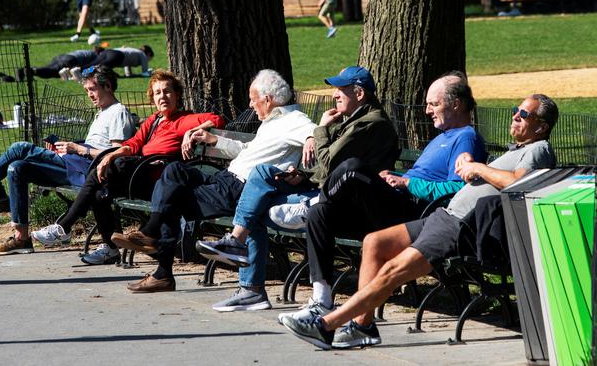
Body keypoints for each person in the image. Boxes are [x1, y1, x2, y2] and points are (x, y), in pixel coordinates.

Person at [281, 94, 558, 350]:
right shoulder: (517, 149)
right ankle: (362, 327)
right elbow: (490, 179)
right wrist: (470, 165)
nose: (515, 116)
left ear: (541, 127)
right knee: (374, 242)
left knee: (393, 269)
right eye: (515, 110)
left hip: (461, 226)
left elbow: (517, 183)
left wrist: (479, 168)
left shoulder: (538, 150)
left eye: (524, 113)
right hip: (443, 215)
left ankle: (326, 325)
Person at [276, 71, 488, 323]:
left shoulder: (466, 137)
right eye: (428, 104)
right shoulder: (442, 137)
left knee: (351, 167)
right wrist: (396, 175)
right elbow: (428, 176)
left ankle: (314, 201)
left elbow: (457, 190)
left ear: (456, 104)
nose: (428, 110)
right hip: (393, 206)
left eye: (434, 104)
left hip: (415, 215)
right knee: (320, 214)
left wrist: (408, 182)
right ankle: (321, 301)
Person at [195, 66, 400, 312]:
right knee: (259, 187)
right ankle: (250, 286)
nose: (335, 95)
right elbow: (327, 166)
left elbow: (329, 162)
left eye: (341, 90)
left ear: (358, 93)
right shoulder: (351, 121)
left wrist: (320, 130)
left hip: (342, 204)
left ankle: (243, 263)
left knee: (257, 197)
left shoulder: (369, 124)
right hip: (323, 191)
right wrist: (299, 175)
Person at [112, 69, 317, 293]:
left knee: (171, 197)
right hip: (223, 179)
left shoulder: (293, 120)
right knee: (174, 171)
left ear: (268, 100)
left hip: (237, 190)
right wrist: (214, 140)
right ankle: (152, 237)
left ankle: (160, 265)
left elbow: (314, 131)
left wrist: (309, 139)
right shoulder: (272, 121)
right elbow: (247, 150)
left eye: (253, 99)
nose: (250, 105)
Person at [0, 66, 136, 255]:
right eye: (87, 90)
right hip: (74, 165)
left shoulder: (118, 112)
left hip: (88, 172)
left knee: (20, 148)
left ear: (108, 86)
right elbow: (95, 146)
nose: (89, 95)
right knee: (17, 168)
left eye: (92, 89)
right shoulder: (102, 112)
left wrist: (77, 148)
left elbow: (117, 153)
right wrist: (67, 147)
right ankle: (21, 238)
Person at [32, 70, 225, 265]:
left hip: (158, 182)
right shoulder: (154, 121)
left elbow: (217, 120)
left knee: (112, 169)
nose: (162, 97)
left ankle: (64, 227)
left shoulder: (183, 120)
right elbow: (133, 144)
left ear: (177, 95)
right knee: (100, 190)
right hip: (140, 176)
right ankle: (109, 248)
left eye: (167, 91)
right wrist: (110, 155)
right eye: (157, 93)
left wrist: (190, 131)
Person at [16, 46, 105, 81]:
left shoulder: (88, 52)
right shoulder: (96, 56)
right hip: (70, 60)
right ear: (100, 53)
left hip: (62, 56)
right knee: (53, 72)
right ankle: (30, 70)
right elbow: (93, 67)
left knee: (50, 72)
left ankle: (31, 71)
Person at [73, 45, 154, 80]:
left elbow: (128, 64)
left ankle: (79, 70)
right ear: (149, 54)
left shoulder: (135, 52)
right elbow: (145, 73)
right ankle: (82, 73)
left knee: (94, 64)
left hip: (109, 51)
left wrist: (129, 74)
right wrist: (151, 73)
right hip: (117, 55)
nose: (149, 61)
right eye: (150, 58)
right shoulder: (142, 55)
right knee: (98, 67)